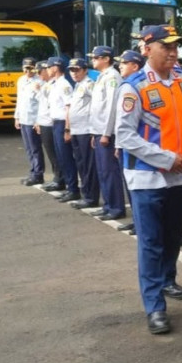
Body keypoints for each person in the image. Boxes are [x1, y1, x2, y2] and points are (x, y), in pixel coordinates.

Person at [115, 25, 182, 334]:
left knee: (173, 235)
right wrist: (166, 159)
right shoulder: (132, 87)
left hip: (180, 176)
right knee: (150, 242)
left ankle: (167, 279)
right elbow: (125, 135)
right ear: (147, 49)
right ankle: (154, 307)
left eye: (176, 47)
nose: (173, 53)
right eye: (167, 47)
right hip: (147, 178)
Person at [89, 46, 126, 221]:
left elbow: (111, 106)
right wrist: (94, 132)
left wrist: (105, 133)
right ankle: (108, 205)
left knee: (110, 171)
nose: (93, 60)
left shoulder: (112, 77)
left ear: (106, 59)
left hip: (107, 132)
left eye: (96, 58)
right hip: (98, 130)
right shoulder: (102, 77)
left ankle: (116, 207)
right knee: (103, 171)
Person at [113, 49, 146, 234]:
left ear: (135, 66)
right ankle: (136, 220)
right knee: (129, 185)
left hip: (137, 145)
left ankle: (140, 222)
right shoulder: (127, 84)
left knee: (138, 186)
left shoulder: (138, 85)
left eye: (124, 63)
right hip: (126, 143)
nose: (120, 66)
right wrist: (119, 144)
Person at [65, 58, 100, 209]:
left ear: (85, 70)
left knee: (88, 165)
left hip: (86, 130)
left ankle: (91, 197)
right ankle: (86, 194)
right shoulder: (77, 85)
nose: (74, 73)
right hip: (77, 130)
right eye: (71, 70)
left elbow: (96, 105)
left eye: (77, 69)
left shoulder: (89, 84)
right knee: (81, 164)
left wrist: (94, 129)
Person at [47, 57, 81, 202]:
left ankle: (73, 189)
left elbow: (68, 107)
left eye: (49, 67)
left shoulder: (64, 84)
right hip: (55, 123)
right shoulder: (54, 84)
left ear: (55, 67)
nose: (47, 69)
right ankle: (69, 187)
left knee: (67, 157)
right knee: (61, 157)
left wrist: (67, 128)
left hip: (62, 123)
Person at [34, 60, 64, 192]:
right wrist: (38, 121)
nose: (39, 75)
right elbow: (41, 106)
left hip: (51, 122)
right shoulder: (47, 85)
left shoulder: (54, 85)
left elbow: (53, 106)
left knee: (56, 153)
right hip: (45, 121)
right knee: (51, 153)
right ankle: (57, 177)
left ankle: (60, 179)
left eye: (41, 72)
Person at [15, 56, 45, 186]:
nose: (28, 71)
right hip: (24, 119)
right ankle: (33, 171)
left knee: (35, 148)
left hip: (33, 120)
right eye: (26, 68)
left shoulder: (39, 82)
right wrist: (17, 117)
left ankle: (38, 174)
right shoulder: (21, 81)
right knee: (28, 148)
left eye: (31, 68)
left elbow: (42, 103)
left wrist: (38, 121)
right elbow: (19, 100)